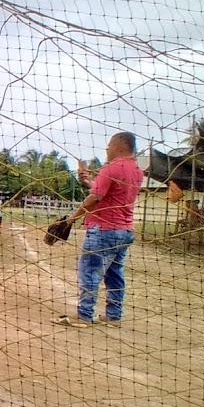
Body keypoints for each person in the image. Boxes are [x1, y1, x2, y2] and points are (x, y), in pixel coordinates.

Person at [54, 132, 143, 327]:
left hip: (104, 229)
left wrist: (70, 220)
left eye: (109, 146)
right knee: (115, 275)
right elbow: (109, 193)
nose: (107, 150)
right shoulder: (137, 170)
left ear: (118, 146)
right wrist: (89, 182)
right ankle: (114, 316)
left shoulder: (111, 168)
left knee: (90, 272)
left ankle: (84, 316)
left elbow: (95, 198)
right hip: (125, 230)